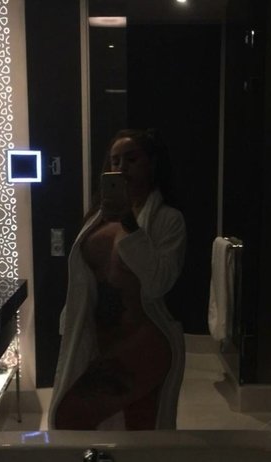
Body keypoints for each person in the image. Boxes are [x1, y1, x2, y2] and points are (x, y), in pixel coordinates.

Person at [48, 128, 187, 430]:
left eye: (131, 159)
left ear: (151, 164)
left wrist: (129, 224)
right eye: (115, 161)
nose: (121, 168)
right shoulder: (96, 220)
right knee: (137, 431)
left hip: (143, 341)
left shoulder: (168, 220)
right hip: (99, 340)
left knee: (69, 417)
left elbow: (158, 282)